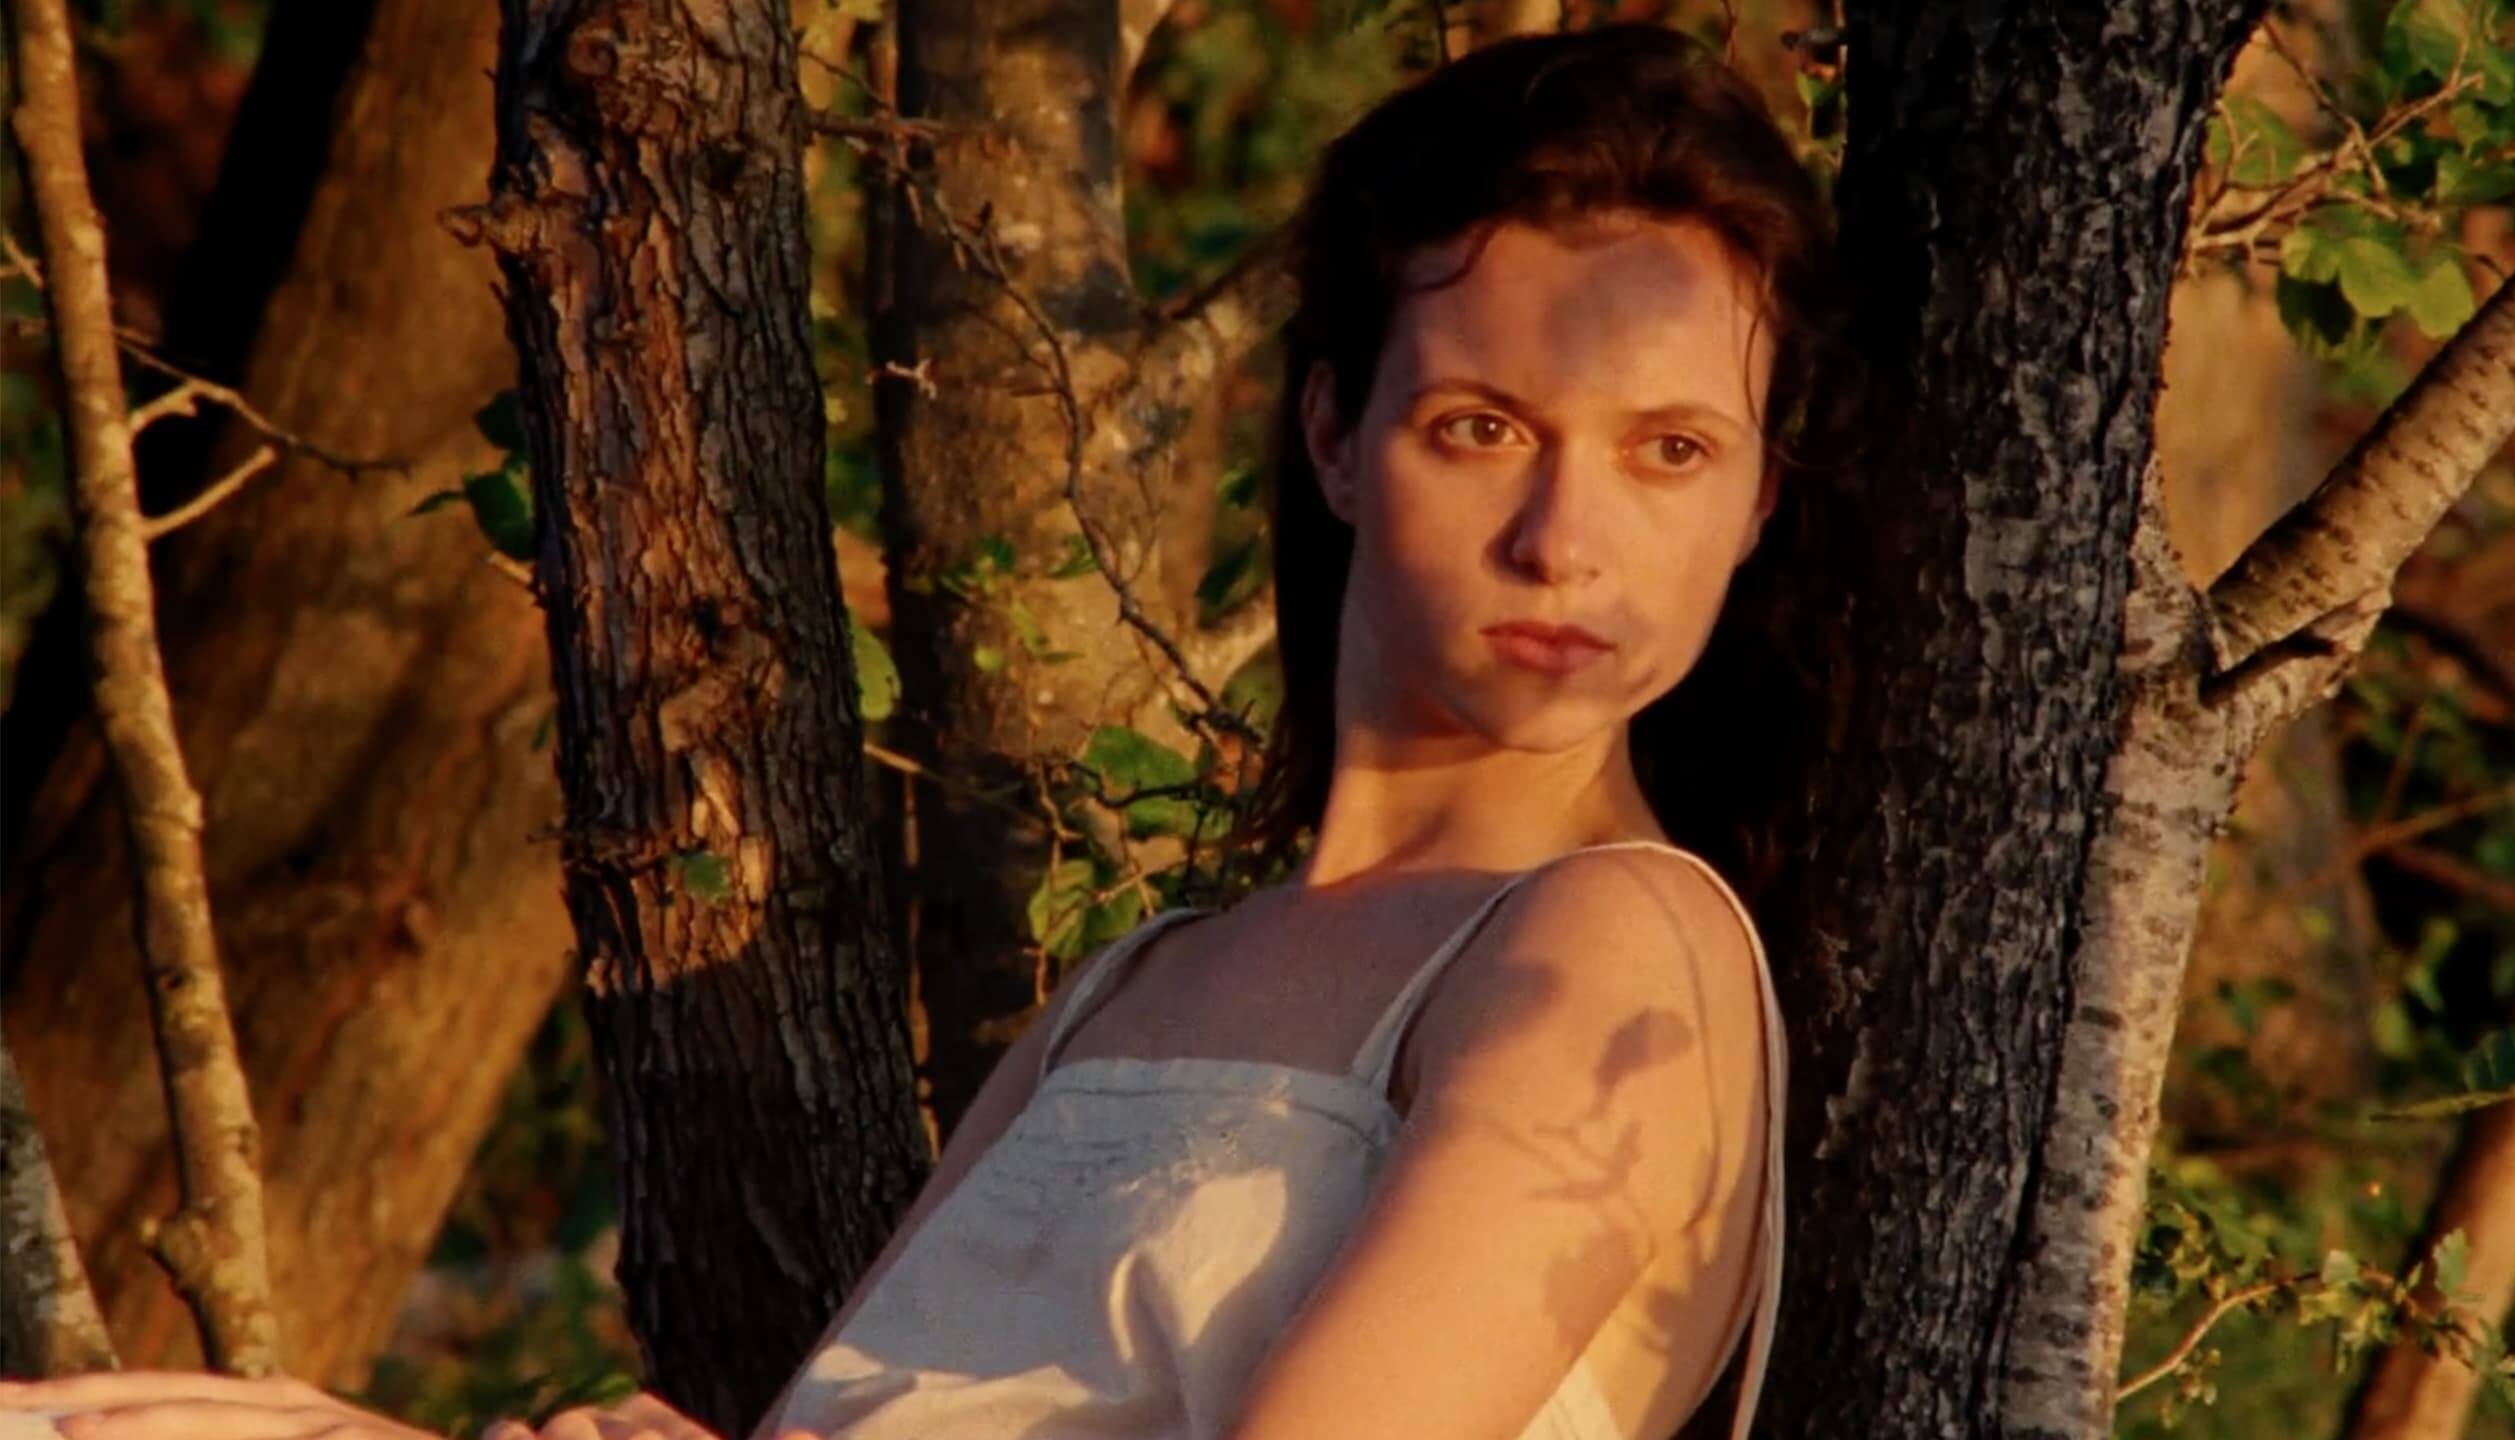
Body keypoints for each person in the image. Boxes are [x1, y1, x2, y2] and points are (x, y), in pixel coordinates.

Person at [1, 20, 1851, 1440]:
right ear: (1332, 437)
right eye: (1482, 428)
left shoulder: (1618, 949)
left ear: (1761, 499)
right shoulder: (1131, 986)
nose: (1563, 537)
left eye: (1669, 451)